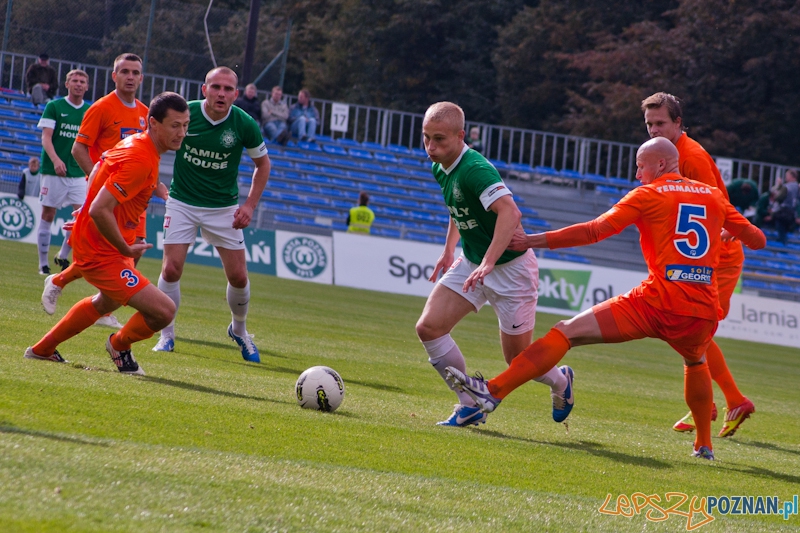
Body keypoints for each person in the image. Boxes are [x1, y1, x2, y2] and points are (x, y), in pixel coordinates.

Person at [446, 138, 767, 460]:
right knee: (696, 362)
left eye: (640, 166)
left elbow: (594, 231)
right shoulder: (713, 196)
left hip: (656, 302)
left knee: (566, 332)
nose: (637, 174)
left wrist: (531, 240)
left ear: (660, 164)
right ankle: (704, 446)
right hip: (701, 310)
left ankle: (493, 391)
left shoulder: (648, 194)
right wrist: (730, 231)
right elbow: (758, 240)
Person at [415, 101, 569, 428]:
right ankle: (469, 404)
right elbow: (459, 208)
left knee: (518, 360)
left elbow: (511, 213)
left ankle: (561, 381)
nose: (431, 147)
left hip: (511, 270)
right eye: (426, 137)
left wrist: (489, 261)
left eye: (439, 139)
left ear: (460, 136)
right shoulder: (440, 166)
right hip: (472, 262)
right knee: (429, 328)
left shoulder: (474, 168)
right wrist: (449, 249)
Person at [24, 92, 190, 375]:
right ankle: (118, 345)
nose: (182, 133)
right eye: (175, 125)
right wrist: (124, 248)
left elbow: (101, 168)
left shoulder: (136, 143)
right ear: (153, 123)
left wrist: (85, 211)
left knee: (107, 301)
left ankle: (42, 349)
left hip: (104, 243)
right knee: (164, 310)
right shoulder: (141, 158)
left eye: (185, 125)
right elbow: (100, 209)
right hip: (103, 250)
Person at [641, 92, 756, 438]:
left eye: (661, 123)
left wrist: (731, 231)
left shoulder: (691, 157)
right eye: (649, 124)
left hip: (716, 258)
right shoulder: (668, 155)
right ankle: (719, 402)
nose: (654, 130)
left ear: (678, 123)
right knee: (689, 329)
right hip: (700, 256)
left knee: (693, 329)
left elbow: (712, 207)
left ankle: (722, 402)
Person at [152, 66, 271, 361]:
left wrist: (249, 205)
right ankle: (166, 335)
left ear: (236, 94)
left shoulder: (244, 123)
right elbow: (151, 144)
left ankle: (239, 330)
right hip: (182, 202)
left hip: (223, 208)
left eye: (228, 89)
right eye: (215, 87)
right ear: (204, 89)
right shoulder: (186, 114)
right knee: (171, 269)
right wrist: (153, 182)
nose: (221, 93)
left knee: (239, 277)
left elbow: (263, 165)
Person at [42, 53, 151, 328]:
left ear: (141, 77)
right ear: (114, 76)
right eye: (124, 71)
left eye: (135, 72)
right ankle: (67, 286)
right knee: (106, 253)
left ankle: (91, 297)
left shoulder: (145, 113)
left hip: (134, 197)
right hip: (109, 195)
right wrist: (98, 182)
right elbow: (79, 148)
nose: (130, 77)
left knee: (134, 250)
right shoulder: (102, 108)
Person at [34, 69, 90, 276]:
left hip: (78, 173)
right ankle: (43, 264)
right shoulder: (54, 106)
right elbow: (46, 137)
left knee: (82, 217)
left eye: (82, 81)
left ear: (87, 86)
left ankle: (63, 255)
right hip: (53, 171)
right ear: (67, 84)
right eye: (74, 80)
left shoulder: (90, 110)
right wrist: (56, 160)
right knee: (48, 214)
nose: (78, 84)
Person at [772, 169, 799, 244]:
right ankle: (784, 242)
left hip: (783, 211)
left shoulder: (787, 187)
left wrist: (779, 187)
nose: (786, 177)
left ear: (792, 176)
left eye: (787, 175)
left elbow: (779, 198)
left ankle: (781, 244)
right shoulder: (797, 186)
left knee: (780, 228)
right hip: (793, 212)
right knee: (786, 230)